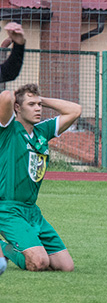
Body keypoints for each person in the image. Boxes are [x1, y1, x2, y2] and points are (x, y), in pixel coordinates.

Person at [0, 84, 82, 271]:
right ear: (17, 107)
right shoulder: (8, 129)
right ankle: (4, 248)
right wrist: (17, 94)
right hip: (7, 209)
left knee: (66, 266)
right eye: (31, 104)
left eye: (39, 105)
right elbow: (5, 97)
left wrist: (41, 99)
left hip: (32, 210)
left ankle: (28, 245)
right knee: (39, 262)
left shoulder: (42, 131)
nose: (38, 108)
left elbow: (75, 110)